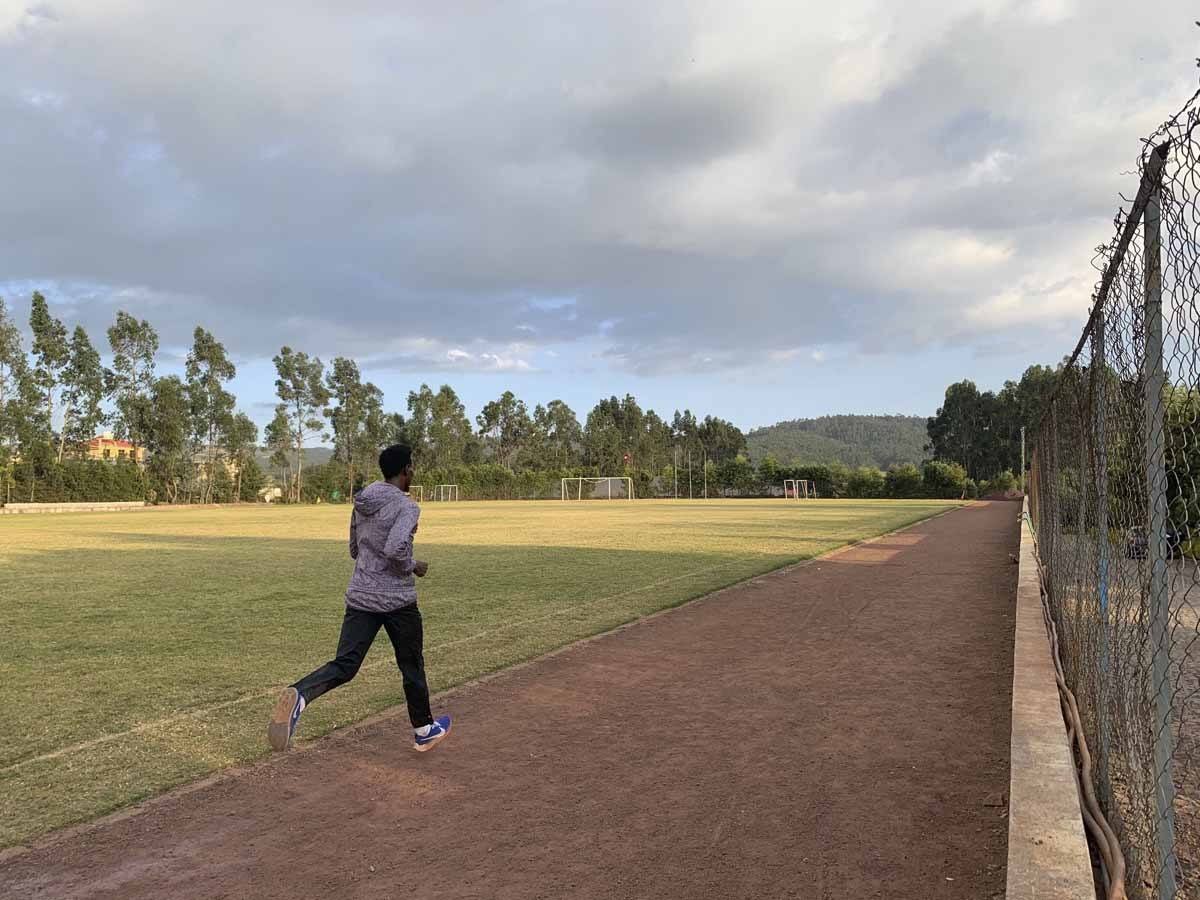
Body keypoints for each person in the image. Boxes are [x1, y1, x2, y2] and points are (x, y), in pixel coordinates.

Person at [268, 444, 451, 753]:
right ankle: (423, 728)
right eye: (412, 467)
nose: (413, 472)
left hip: (361, 594)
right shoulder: (407, 507)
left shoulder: (363, 501)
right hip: (397, 600)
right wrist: (413, 565)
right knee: (411, 664)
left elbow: (354, 548)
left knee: (345, 664)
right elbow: (395, 550)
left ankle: (301, 694)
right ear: (406, 470)